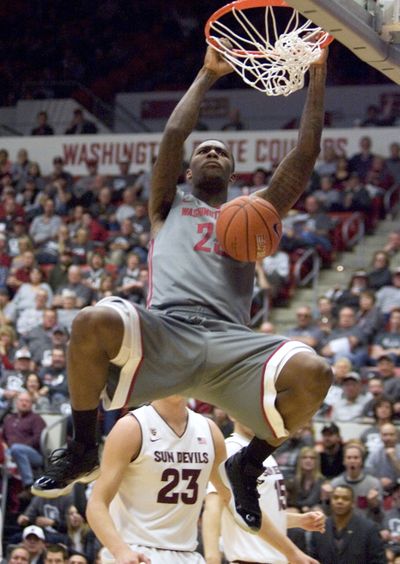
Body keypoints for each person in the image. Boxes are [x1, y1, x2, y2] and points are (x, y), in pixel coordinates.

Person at [32, 42, 332, 533]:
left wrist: (316, 76)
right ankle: (85, 444)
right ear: (188, 173)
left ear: (233, 175)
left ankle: (249, 463)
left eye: (222, 152)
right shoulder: (166, 205)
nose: (212, 152)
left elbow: (305, 154)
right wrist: (207, 73)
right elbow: (174, 134)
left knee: (315, 371)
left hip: (231, 343)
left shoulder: (254, 213)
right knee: (91, 321)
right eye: (204, 152)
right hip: (166, 329)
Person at [87, 396, 319, 564]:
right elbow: (96, 504)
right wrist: (120, 550)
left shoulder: (208, 430)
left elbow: (238, 504)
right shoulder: (131, 427)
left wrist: (291, 553)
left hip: (186, 554)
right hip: (136, 551)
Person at [203, 419, 326, 564]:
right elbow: (213, 508)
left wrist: (298, 520)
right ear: (233, 414)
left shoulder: (261, 451)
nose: (252, 415)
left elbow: (254, 515)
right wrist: (212, 558)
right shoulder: (232, 449)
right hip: (249, 559)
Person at [310, 485, 386, 563]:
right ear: (331, 501)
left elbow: (379, 561)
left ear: (353, 503)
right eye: (335, 497)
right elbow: (312, 560)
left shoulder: (369, 529)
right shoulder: (319, 527)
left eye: (345, 498)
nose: (339, 501)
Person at [3, 392, 46, 498]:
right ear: (17, 403)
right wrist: (6, 447)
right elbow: (3, 437)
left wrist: (15, 449)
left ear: (31, 404)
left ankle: (28, 485)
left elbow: (37, 439)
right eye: (21, 401)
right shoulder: (9, 419)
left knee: (16, 448)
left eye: (27, 401)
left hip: (34, 455)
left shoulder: (36, 419)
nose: (24, 403)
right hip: (9, 452)